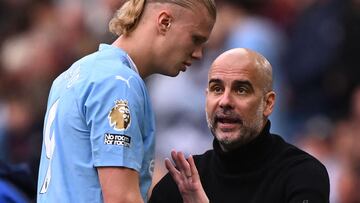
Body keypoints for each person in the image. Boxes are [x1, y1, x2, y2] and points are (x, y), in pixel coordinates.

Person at [36, 0, 216, 202]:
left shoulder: (71, 74)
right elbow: (121, 198)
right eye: (195, 39)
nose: (199, 54)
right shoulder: (119, 83)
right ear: (164, 22)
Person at [149, 48, 330, 203]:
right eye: (217, 89)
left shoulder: (302, 175)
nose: (225, 101)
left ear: (268, 104)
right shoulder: (181, 184)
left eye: (241, 90)